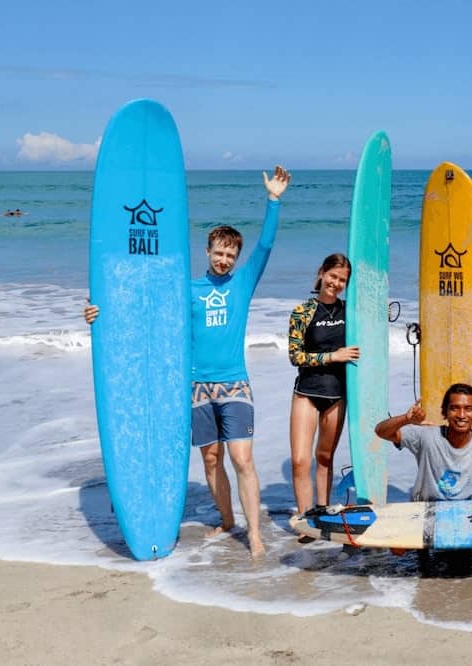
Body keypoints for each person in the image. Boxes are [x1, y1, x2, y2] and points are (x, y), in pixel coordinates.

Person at [85, 164, 291, 559]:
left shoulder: (242, 283)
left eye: (231, 255)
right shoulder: (187, 289)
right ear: (207, 251)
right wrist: (99, 312)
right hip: (196, 386)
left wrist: (273, 201)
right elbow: (144, 311)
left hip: (234, 383)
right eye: (219, 253)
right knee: (211, 459)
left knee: (242, 458)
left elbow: (265, 246)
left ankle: (254, 534)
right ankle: (227, 520)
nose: (224, 260)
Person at [287, 253, 359, 523]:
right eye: (333, 276)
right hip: (306, 392)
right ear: (321, 273)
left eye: (342, 280)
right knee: (300, 461)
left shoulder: (350, 311)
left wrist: (381, 313)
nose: (336, 283)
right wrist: (333, 356)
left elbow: (372, 328)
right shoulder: (303, 311)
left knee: (325, 457)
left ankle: (322, 513)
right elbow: (295, 356)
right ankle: (306, 519)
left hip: (336, 394)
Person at [374, 383, 472, 525]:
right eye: (454, 408)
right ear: (445, 412)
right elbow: (381, 431)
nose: (461, 415)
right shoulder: (425, 436)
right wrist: (405, 419)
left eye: (468, 409)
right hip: (423, 512)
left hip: (464, 514)